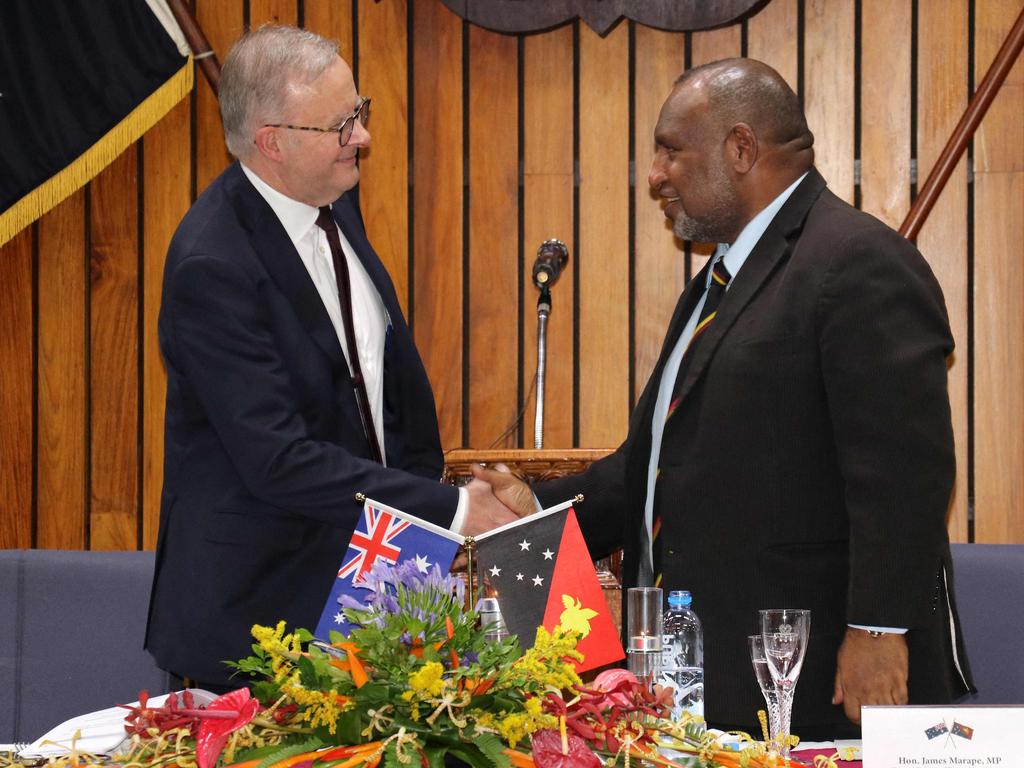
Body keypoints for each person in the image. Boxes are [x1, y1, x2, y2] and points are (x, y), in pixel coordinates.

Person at [476, 58, 974, 738]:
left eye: (670, 150)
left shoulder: (857, 262)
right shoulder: (718, 282)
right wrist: (533, 507)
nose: (654, 175)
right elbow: (652, 466)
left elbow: (904, 474)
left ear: (741, 149)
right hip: (716, 682)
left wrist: (878, 632)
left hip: (826, 680)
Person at [145, 25, 517, 690]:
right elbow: (278, 459)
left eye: (360, 111)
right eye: (342, 124)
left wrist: (418, 547)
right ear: (273, 143)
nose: (363, 137)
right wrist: (450, 511)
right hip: (255, 623)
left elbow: (377, 388)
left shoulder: (333, 202)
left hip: (367, 598)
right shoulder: (213, 265)